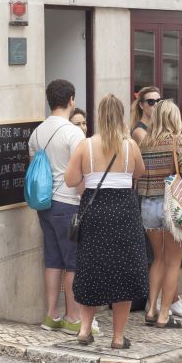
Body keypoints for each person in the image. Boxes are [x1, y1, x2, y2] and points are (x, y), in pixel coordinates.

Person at [64, 94, 149, 348]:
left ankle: (84, 330)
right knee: (123, 272)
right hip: (124, 212)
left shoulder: (86, 145)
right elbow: (140, 172)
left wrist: (88, 182)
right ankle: (118, 337)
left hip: (95, 212)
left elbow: (69, 180)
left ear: (99, 116)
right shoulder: (130, 145)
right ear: (121, 116)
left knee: (91, 269)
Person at [29, 80, 97, 336]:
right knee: (73, 263)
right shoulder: (73, 133)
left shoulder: (37, 132)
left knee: (52, 260)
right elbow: (82, 172)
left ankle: (51, 315)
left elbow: (35, 167)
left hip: (44, 204)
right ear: (71, 99)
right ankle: (72, 317)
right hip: (68, 203)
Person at [138, 100, 182, 329]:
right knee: (173, 262)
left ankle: (150, 309)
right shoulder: (176, 140)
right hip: (172, 206)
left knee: (158, 259)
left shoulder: (145, 141)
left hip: (148, 206)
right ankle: (163, 315)